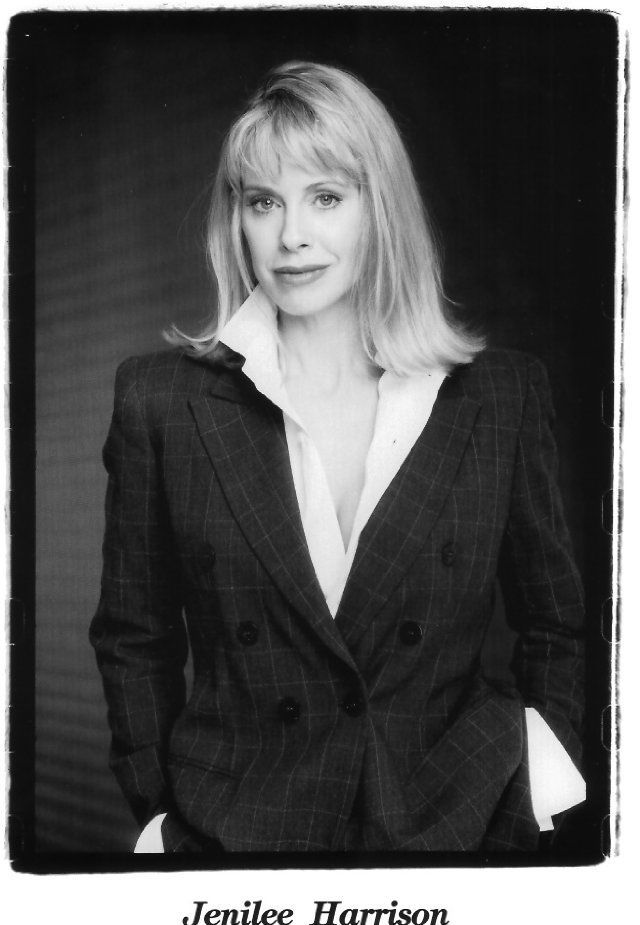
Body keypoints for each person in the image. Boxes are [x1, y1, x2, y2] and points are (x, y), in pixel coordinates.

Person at [90, 61, 586, 854]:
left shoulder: (501, 396)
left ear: (379, 208)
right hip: (232, 838)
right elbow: (133, 635)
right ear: (237, 219)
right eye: (264, 201)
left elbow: (557, 621)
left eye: (325, 197)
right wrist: (157, 819)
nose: (291, 234)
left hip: (467, 829)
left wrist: (543, 777)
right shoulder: (160, 400)